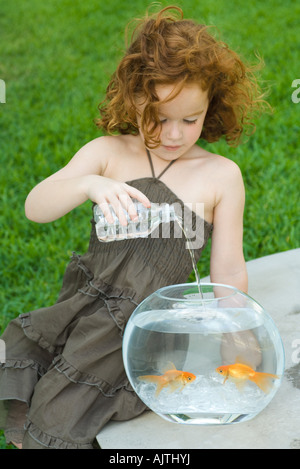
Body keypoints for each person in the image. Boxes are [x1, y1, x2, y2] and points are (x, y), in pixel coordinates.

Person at [0, 6, 266, 449]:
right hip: (82, 306)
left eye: (190, 119)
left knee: (57, 412)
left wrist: (238, 334)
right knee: (32, 374)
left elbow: (229, 271)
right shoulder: (108, 153)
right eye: (159, 118)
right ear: (134, 100)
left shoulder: (221, 176)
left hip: (147, 323)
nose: (175, 135)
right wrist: (88, 183)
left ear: (210, 107)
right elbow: (35, 208)